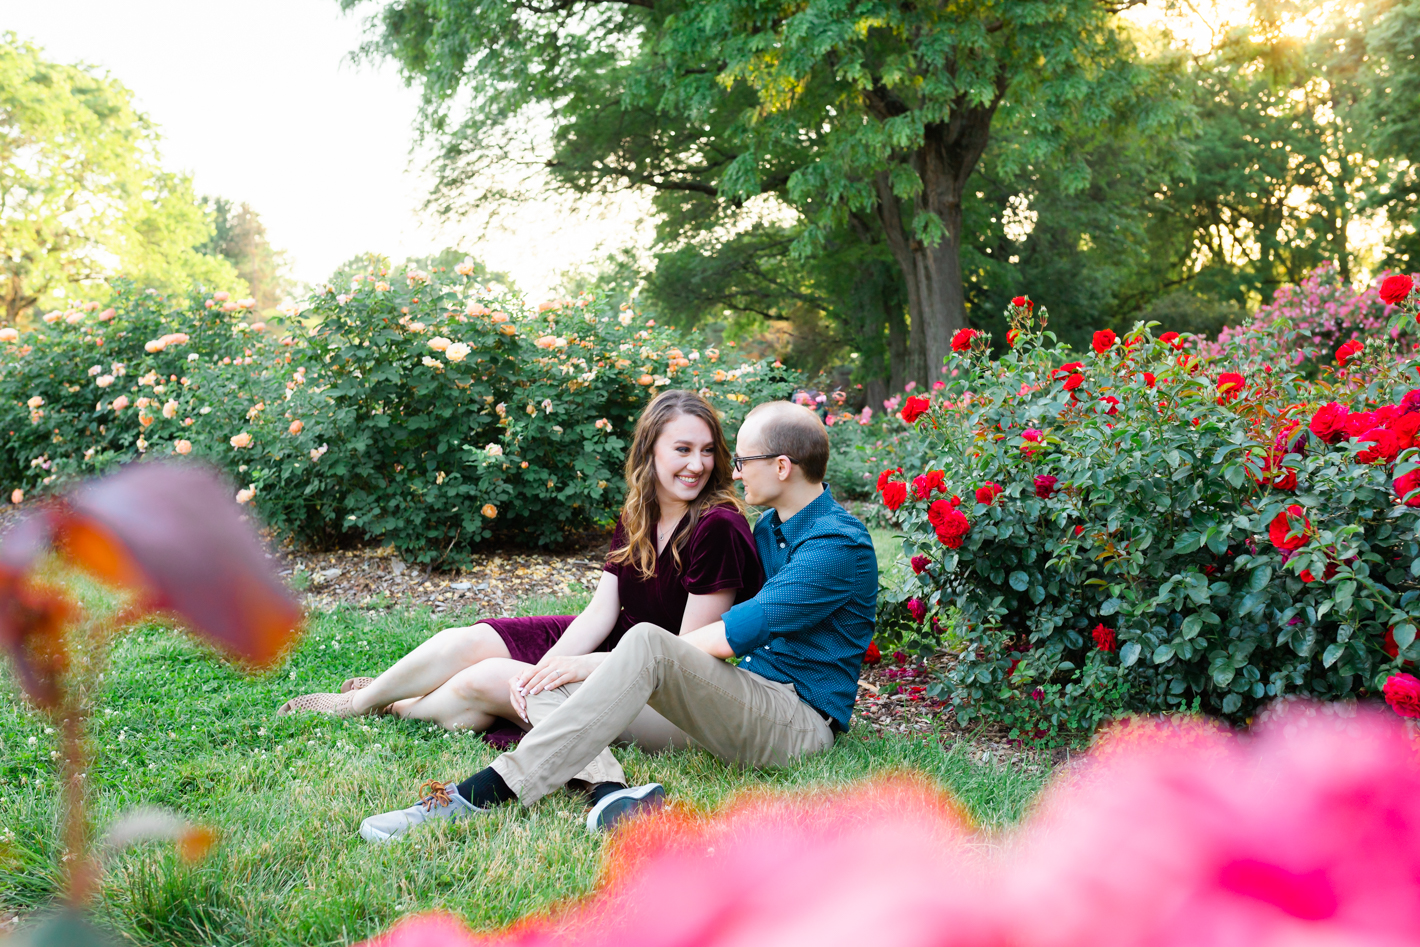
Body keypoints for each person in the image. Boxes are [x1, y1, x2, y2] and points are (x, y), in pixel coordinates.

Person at [358, 400, 878, 841]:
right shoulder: (772, 528)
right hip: (742, 697)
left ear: (781, 466)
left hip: (797, 721)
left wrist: (593, 666)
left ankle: (481, 794)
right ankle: (611, 794)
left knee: (641, 644)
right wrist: (575, 667)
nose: (733, 471)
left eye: (741, 461)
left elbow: (731, 633)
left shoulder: (835, 544)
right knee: (539, 679)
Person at [276, 390, 763, 748]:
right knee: (463, 642)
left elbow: (686, 658)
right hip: (612, 641)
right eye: (682, 449)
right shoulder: (641, 511)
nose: (697, 465)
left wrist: (567, 671)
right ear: (650, 450)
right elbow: (600, 611)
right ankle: (358, 703)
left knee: (487, 679)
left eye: (706, 451)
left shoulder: (717, 525)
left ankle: (397, 704)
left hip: (660, 689)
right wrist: (548, 668)